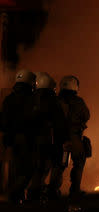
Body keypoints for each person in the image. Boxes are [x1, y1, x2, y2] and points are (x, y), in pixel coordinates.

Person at [28, 72, 67, 202]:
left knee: (38, 168)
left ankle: (33, 194)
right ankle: (49, 193)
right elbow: (60, 122)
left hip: (34, 139)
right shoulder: (54, 101)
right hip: (50, 139)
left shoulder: (31, 98)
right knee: (52, 165)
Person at [51, 75, 90, 199]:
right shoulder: (79, 102)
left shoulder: (55, 101)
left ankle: (52, 190)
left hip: (59, 137)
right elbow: (86, 116)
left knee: (59, 164)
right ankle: (75, 190)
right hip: (74, 137)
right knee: (78, 162)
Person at [1, 70, 36, 203]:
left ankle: (17, 195)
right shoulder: (31, 98)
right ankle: (16, 193)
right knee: (28, 169)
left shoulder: (9, 98)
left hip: (11, 138)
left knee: (15, 168)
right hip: (26, 138)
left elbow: (3, 120)